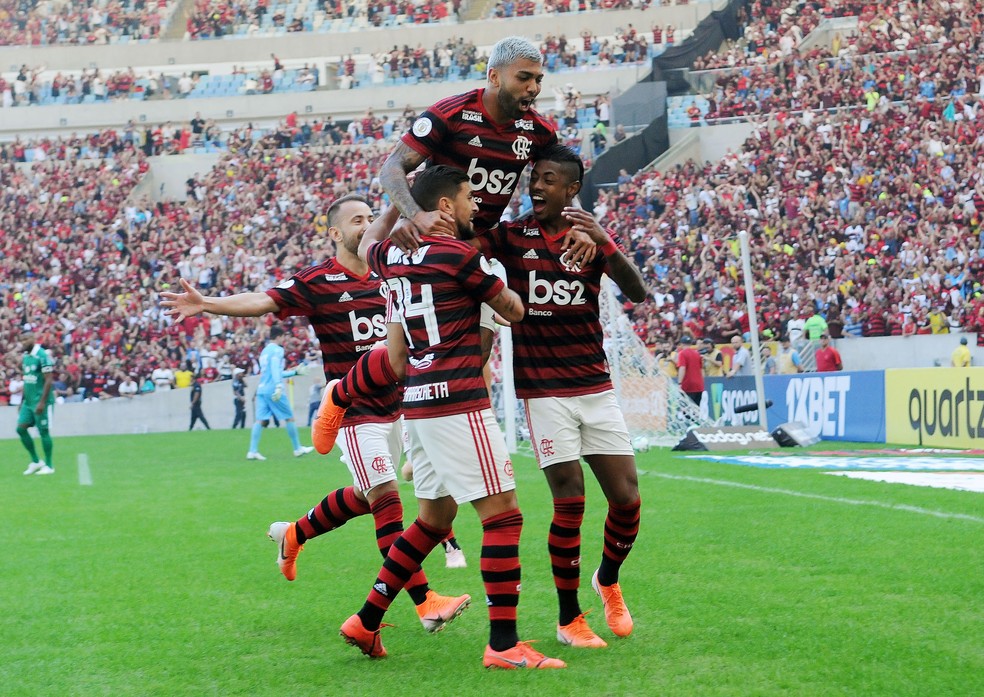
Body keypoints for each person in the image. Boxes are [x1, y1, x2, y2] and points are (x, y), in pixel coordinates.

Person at [161, 195, 467, 628]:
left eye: (369, 218)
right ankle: (425, 602)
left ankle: (295, 533)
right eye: (356, 220)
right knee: (386, 499)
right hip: (352, 411)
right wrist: (209, 302)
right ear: (336, 233)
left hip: (400, 407)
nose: (366, 226)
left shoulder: (392, 270)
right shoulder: (319, 281)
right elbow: (264, 300)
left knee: (364, 496)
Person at [311, 35, 593, 455]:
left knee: (478, 345)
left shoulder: (538, 131)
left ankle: (439, 442)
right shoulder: (452, 113)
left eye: (538, 79)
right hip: (422, 247)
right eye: (524, 78)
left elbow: (562, 175)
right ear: (494, 76)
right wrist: (413, 215)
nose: (534, 88)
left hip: (473, 249)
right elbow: (392, 168)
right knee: (399, 357)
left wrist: (579, 225)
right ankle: (340, 396)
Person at [336, 165, 565, 669]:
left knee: (433, 519)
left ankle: (366, 619)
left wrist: (400, 207)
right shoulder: (461, 256)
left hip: (417, 401)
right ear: (445, 206)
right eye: (466, 197)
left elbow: (371, 239)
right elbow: (513, 309)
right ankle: (503, 646)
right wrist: (505, 293)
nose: (473, 206)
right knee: (504, 516)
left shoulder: (391, 255)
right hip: (458, 402)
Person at [473, 146, 647, 647]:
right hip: (543, 392)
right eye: (534, 178)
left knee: (627, 498)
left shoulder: (590, 240)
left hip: (594, 385)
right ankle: (569, 619)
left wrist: (605, 241)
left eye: (548, 180)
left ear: (572, 189)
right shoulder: (511, 237)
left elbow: (636, 292)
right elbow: (465, 244)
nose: (537, 186)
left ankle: (607, 579)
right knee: (569, 501)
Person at [247, 326, 314, 460]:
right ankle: (297, 449)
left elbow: (272, 371)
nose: (284, 339)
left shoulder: (265, 351)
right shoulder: (278, 350)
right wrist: (278, 385)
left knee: (260, 420)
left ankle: (252, 451)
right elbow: (275, 370)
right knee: (289, 418)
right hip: (273, 389)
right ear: (279, 336)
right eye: (283, 337)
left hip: (262, 389)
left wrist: (294, 372)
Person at [18, 327, 56, 476]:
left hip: (41, 401)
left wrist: (42, 402)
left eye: (26, 339)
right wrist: (22, 401)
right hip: (28, 401)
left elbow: (48, 380)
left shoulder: (42, 356)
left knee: (43, 432)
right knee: (20, 429)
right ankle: (36, 461)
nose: (23, 342)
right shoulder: (26, 357)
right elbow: (27, 380)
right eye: (21, 340)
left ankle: (49, 465)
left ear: (33, 339)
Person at [676, 335, 705, 405]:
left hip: (688, 385)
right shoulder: (697, 353)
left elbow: (682, 368)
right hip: (699, 386)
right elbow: (701, 369)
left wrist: (680, 383)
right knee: (696, 409)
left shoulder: (682, 353)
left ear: (681, 344)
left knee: (687, 410)